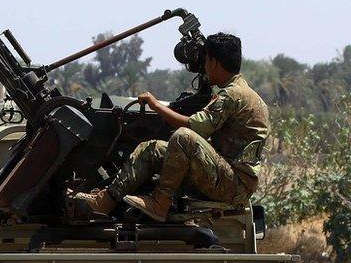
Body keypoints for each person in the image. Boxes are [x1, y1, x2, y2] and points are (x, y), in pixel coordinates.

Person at [73, 33, 270, 221]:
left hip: (233, 186)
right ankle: (105, 202)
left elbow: (194, 126)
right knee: (152, 149)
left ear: (215, 62)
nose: (205, 67)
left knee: (184, 136)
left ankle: (160, 202)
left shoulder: (234, 95)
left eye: (207, 60)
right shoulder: (241, 94)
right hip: (223, 176)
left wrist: (155, 104)